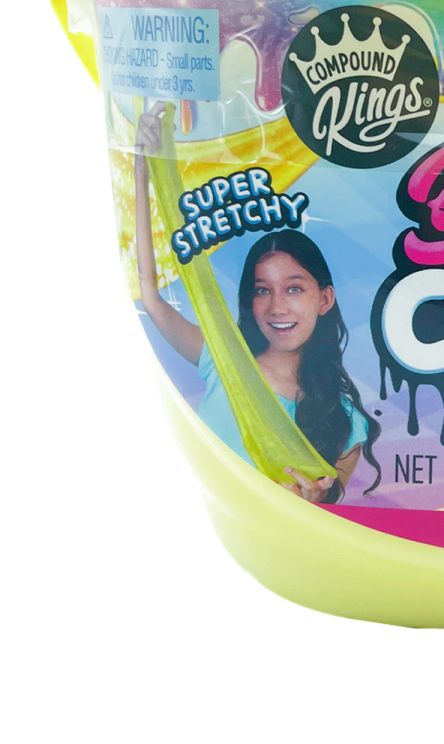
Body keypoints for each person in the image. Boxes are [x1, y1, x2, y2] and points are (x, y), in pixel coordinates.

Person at [134, 102, 380, 502]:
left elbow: (328, 516)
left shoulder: (346, 422)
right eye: (262, 290)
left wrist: (313, 498)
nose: (276, 306)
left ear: (325, 299)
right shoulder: (224, 360)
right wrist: (143, 169)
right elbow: (150, 295)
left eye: (294, 288)